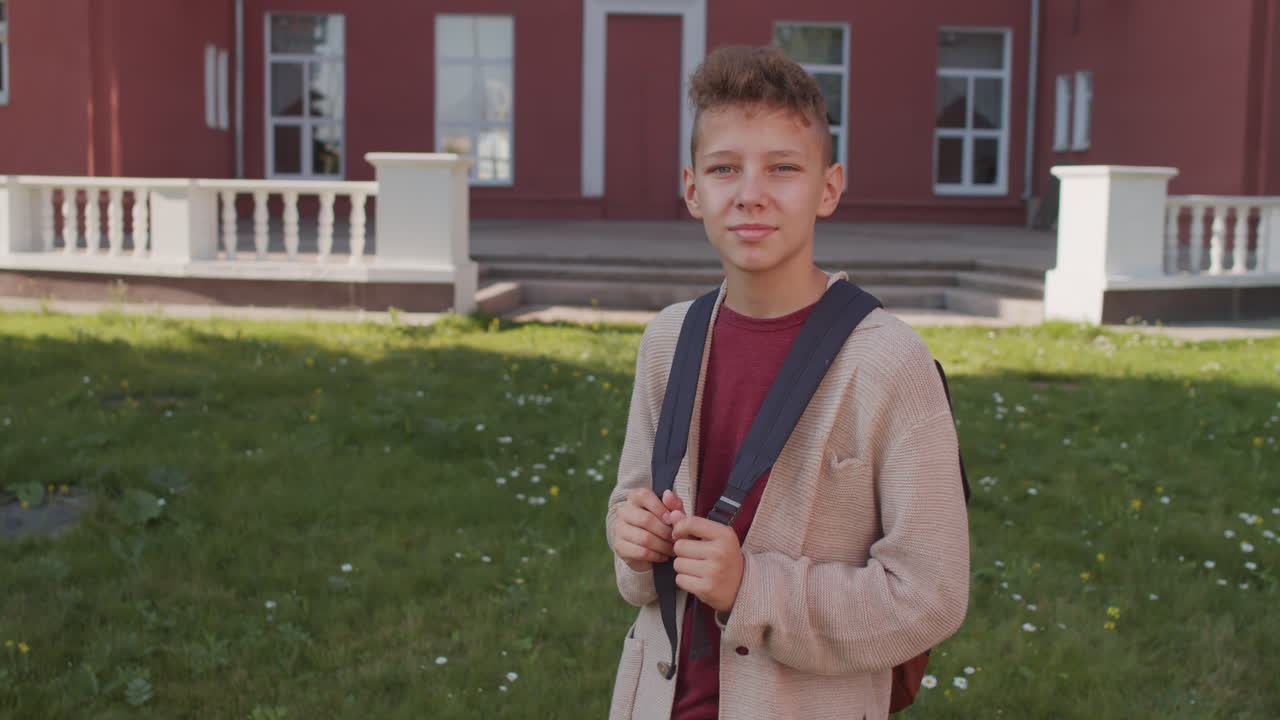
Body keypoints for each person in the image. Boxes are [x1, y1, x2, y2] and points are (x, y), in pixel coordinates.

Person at [604, 46, 970, 720]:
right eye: (724, 169)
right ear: (692, 189)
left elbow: (932, 594)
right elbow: (634, 510)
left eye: (783, 168)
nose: (751, 193)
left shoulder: (888, 363)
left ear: (828, 188)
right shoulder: (667, 342)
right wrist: (632, 539)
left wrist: (750, 586)